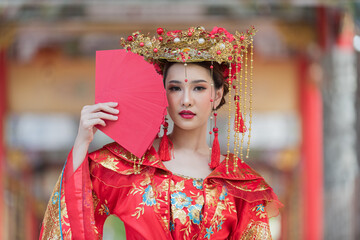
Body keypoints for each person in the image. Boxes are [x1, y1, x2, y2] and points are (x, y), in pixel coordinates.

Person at [39, 26, 282, 239]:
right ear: (163, 93)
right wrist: (82, 142)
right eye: (175, 88)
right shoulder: (128, 164)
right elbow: (73, 208)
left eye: (198, 88)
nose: (186, 100)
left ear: (217, 96)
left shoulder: (241, 183)